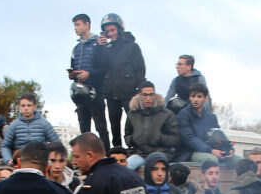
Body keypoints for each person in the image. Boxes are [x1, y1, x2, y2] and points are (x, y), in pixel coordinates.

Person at [95, 13, 145, 150]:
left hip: (130, 93)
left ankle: (136, 149)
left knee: (133, 124)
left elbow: (140, 68)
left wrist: (140, 89)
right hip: (111, 94)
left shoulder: (132, 46)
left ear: (119, 28)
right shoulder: (106, 49)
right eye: (108, 31)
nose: (111, 33)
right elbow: (98, 65)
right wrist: (99, 47)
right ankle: (117, 152)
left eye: (113, 30)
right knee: (114, 125)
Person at [69, 13, 110, 151]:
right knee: (84, 129)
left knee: (101, 127)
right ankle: (85, 157)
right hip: (80, 93)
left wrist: (90, 74)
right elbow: (72, 67)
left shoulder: (98, 43)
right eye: (74, 25)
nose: (75, 28)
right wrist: (72, 74)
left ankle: (106, 156)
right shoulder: (76, 48)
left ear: (87, 25)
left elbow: (105, 68)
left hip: (95, 90)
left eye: (78, 24)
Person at [175, 84, 232, 163]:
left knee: (238, 161)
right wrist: (210, 150)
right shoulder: (183, 115)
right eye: (193, 96)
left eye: (199, 96)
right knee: (212, 160)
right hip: (189, 153)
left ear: (206, 98)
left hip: (211, 150)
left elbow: (217, 136)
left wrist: (229, 149)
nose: (196, 99)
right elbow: (189, 139)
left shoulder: (211, 117)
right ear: (189, 97)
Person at [125, 81, 180, 160]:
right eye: (145, 95)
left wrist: (160, 138)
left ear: (155, 95)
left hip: (161, 152)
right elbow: (127, 134)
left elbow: (176, 138)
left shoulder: (167, 114)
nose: (148, 98)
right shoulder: (132, 114)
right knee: (128, 166)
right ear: (139, 95)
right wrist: (133, 139)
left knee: (154, 166)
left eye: (151, 95)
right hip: (139, 153)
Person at [1, 94, 61, 164]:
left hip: (40, 160)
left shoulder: (44, 124)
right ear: (19, 108)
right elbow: (5, 146)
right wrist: (8, 160)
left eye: (29, 105)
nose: (26, 108)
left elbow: (57, 144)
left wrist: (51, 159)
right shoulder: (13, 125)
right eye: (23, 106)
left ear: (35, 107)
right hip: (20, 160)